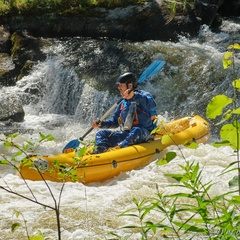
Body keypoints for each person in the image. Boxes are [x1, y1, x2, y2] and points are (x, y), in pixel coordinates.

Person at [91, 72, 157, 154]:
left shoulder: (144, 96)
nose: (118, 87)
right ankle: (99, 150)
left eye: (121, 85)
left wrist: (134, 96)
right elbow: (115, 122)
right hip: (127, 134)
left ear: (130, 85)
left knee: (136, 130)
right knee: (101, 134)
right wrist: (101, 124)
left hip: (144, 133)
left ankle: (120, 148)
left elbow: (152, 105)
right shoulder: (122, 103)